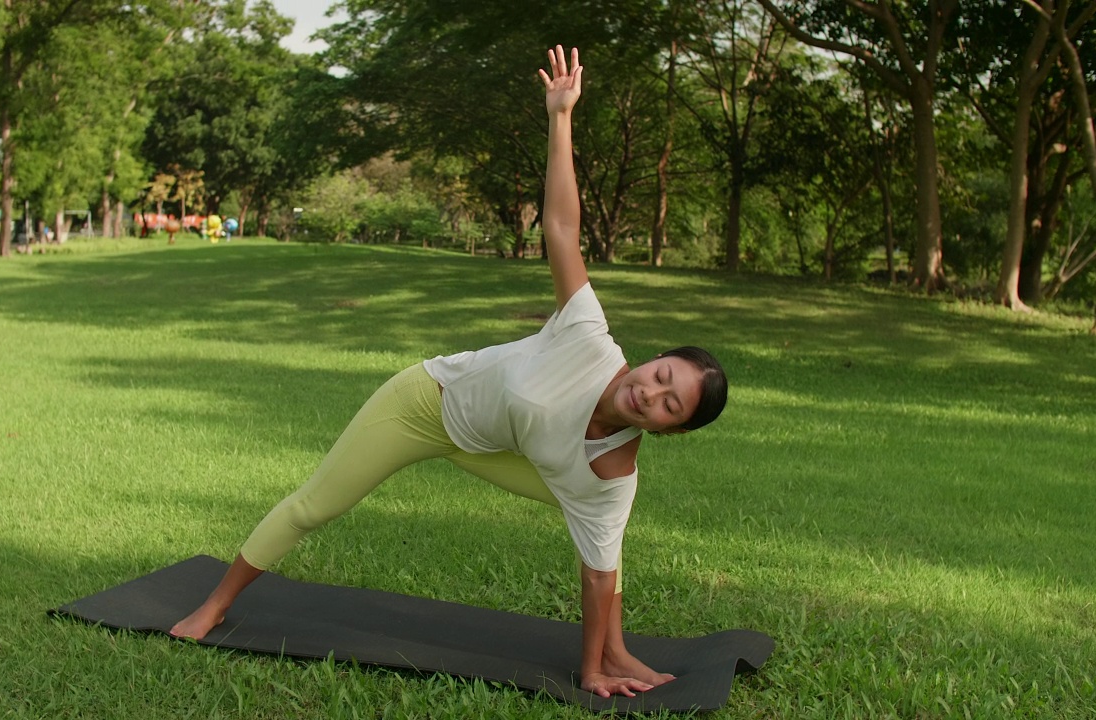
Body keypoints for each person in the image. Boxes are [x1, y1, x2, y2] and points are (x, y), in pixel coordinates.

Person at [169, 45, 728, 700]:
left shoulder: (613, 474)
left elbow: (596, 575)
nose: (652, 393)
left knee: (604, 529)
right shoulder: (589, 338)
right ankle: (215, 605)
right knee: (318, 503)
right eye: (664, 375)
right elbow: (561, 228)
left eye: (671, 406)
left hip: (495, 447)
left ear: (672, 432)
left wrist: (592, 672)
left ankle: (613, 652)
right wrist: (561, 117)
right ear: (656, 358)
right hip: (426, 405)